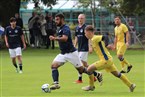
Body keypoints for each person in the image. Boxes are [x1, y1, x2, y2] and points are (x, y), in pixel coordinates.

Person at [49, 13, 102, 90]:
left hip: (71, 53)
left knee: (81, 69)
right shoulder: (60, 29)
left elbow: (65, 38)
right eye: (55, 20)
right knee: (53, 66)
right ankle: (56, 83)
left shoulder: (66, 28)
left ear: (62, 20)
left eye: (57, 19)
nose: (55, 21)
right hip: (63, 53)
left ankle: (97, 74)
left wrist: (55, 38)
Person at [82, 25, 136, 92]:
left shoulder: (95, 38)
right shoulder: (92, 40)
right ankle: (131, 85)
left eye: (85, 33)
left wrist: (107, 44)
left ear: (89, 32)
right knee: (117, 74)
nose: (85, 34)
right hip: (109, 60)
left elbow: (105, 37)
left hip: (105, 60)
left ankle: (92, 85)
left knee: (89, 69)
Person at [74, 14, 102, 84]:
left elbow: (89, 38)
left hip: (85, 48)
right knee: (85, 65)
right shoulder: (77, 28)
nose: (80, 20)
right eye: (79, 18)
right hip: (79, 48)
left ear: (84, 19)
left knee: (79, 63)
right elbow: (76, 37)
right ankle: (96, 75)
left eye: (81, 18)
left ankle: (80, 79)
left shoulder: (86, 28)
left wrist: (90, 47)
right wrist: (74, 46)